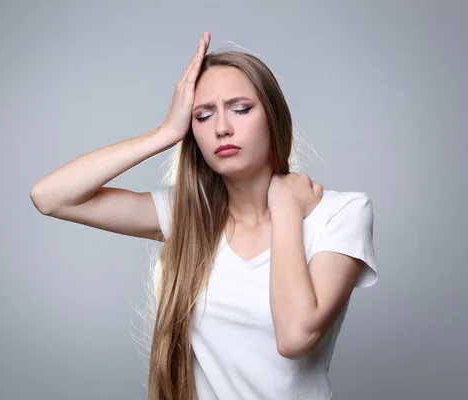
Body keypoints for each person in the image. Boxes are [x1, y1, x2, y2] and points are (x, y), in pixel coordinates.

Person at [30, 31, 378, 400]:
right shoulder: (187, 215)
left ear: (272, 116)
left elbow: (295, 337)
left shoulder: (340, 214)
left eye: (241, 108)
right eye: (203, 115)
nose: (222, 127)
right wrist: (165, 133)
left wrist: (286, 208)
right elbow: (51, 197)